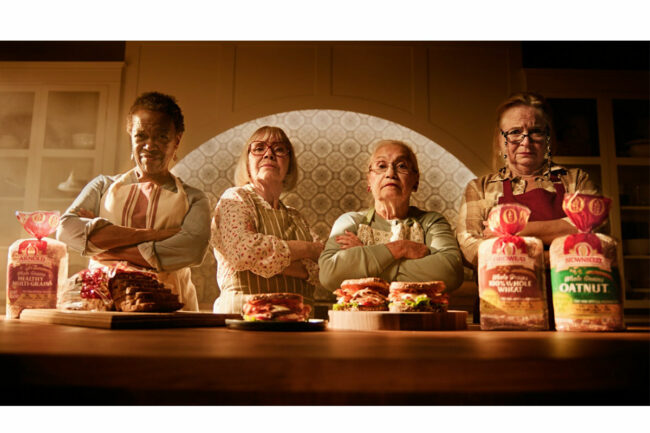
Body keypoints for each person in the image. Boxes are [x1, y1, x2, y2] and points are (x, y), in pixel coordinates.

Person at [56, 92, 211, 311]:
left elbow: (192, 249)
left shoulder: (195, 198)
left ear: (177, 140)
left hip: (172, 306)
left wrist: (106, 247)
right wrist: (152, 235)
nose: (150, 145)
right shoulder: (101, 186)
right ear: (131, 136)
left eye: (161, 137)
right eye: (141, 136)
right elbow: (66, 230)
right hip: (100, 301)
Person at [456, 92, 600, 269]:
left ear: (548, 138)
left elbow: (593, 232)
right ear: (500, 140)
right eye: (515, 132)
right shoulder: (480, 188)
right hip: (502, 292)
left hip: (569, 291)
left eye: (535, 132)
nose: (526, 141)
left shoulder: (575, 179)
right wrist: (556, 245)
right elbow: (471, 251)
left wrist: (514, 232)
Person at [318, 139, 464, 293]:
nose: (390, 173)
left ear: (416, 181)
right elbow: (329, 274)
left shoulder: (432, 222)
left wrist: (366, 259)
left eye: (402, 166)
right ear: (369, 180)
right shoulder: (350, 222)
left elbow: (451, 272)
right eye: (381, 166)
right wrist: (400, 248)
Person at [211, 126, 324, 314]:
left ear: (290, 166)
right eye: (259, 148)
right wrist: (307, 249)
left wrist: (262, 261)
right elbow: (243, 251)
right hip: (243, 319)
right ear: (247, 162)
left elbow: (320, 269)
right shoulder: (235, 198)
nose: (269, 154)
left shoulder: (297, 217)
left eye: (279, 149)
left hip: (297, 322)